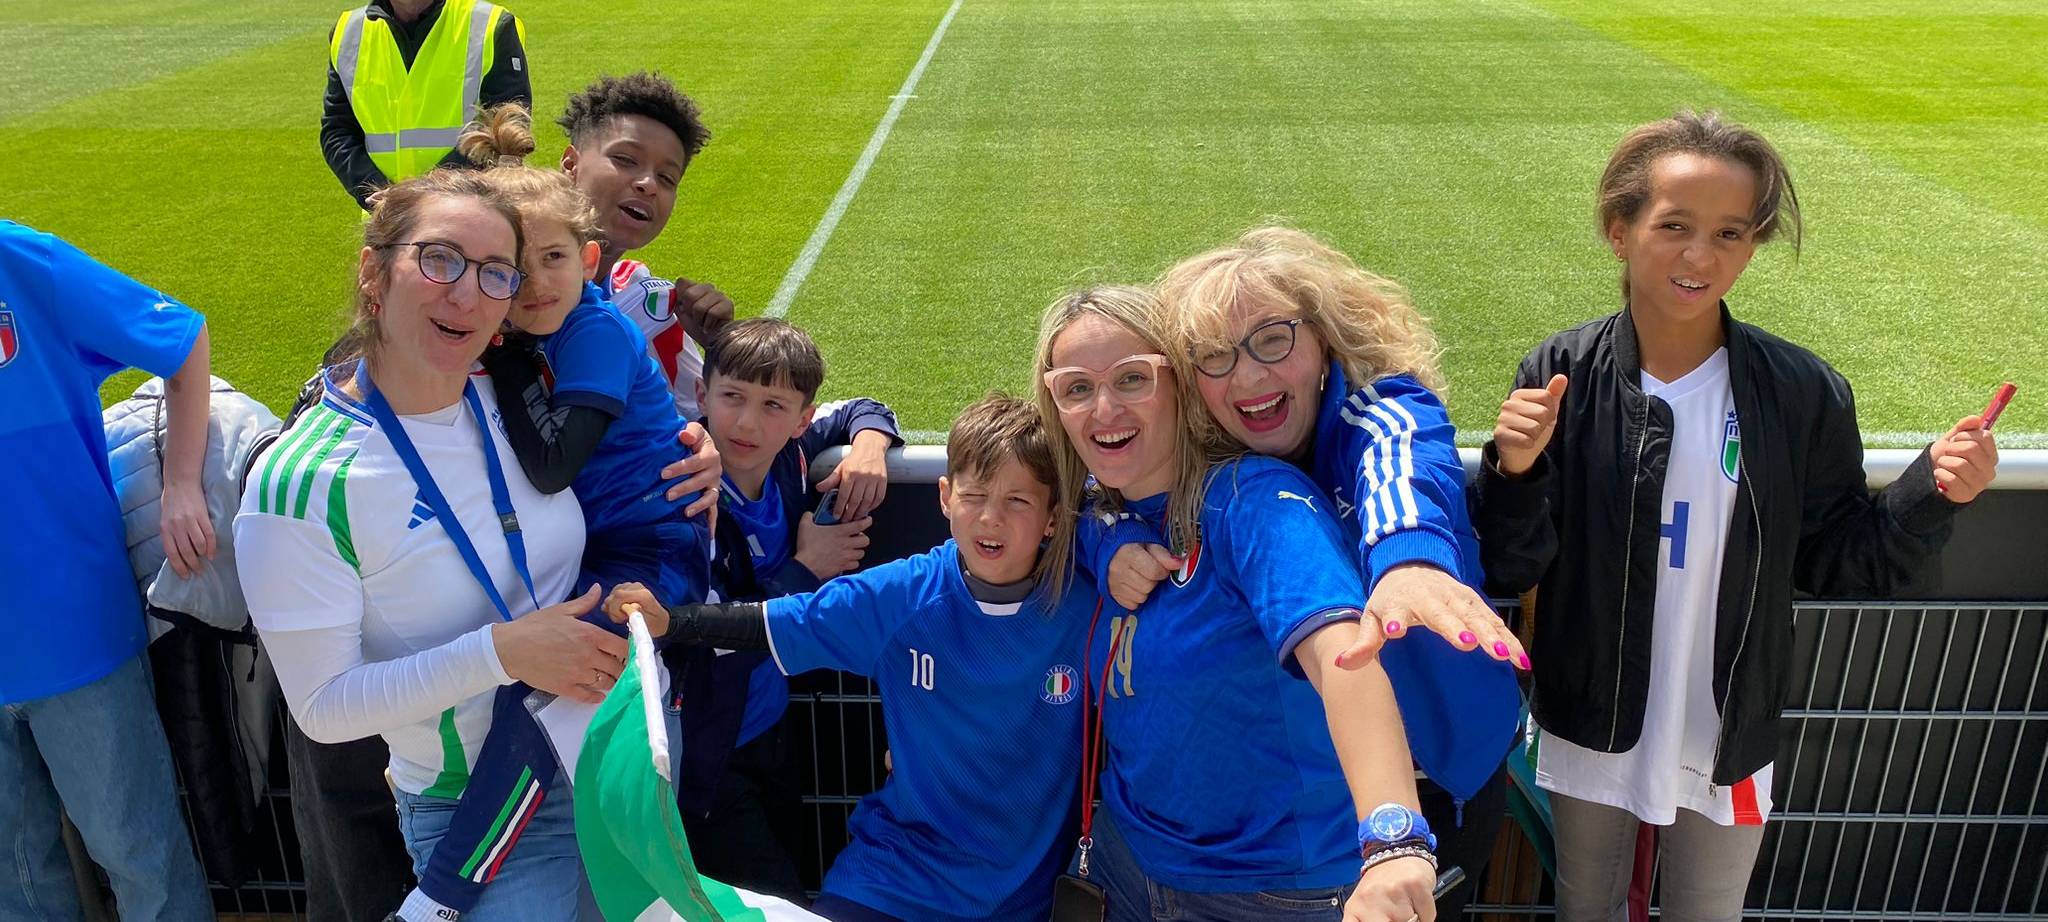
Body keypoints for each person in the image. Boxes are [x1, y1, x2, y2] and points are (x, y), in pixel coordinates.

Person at [1473, 110, 2001, 922]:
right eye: (1674, 226)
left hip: (1733, 735)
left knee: (1710, 913)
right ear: (1620, 231)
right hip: (1589, 720)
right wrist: (1513, 471)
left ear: (1753, 245)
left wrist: (1932, 491)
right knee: (1586, 907)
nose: (1699, 256)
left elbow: (1834, 560)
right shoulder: (1561, 372)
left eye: (1729, 233)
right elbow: (1513, 564)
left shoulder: (1799, 390)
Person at [1088, 226, 1526, 916]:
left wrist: (1409, 560)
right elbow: (1103, 490)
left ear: (1323, 340)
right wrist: (1109, 538)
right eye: (1214, 357)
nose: (1250, 376)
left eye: (1273, 339)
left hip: (1438, 772)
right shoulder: (1220, 472)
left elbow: (1400, 470)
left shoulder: (1380, 412)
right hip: (1318, 811)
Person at [237, 169, 623, 921]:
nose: (467, 294)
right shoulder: (304, 480)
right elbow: (321, 707)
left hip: (603, 762)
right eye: (439, 259)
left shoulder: (511, 394)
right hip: (481, 811)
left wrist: (699, 448)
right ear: (374, 272)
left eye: (494, 274)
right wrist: (501, 653)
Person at [379, 104, 718, 922]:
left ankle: (445, 893)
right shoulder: (519, 325)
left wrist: (518, 361)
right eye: (514, 268)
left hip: (649, 551)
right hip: (606, 547)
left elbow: (552, 459)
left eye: (554, 261)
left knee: (541, 695)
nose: (532, 285)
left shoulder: (591, 332)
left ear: (588, 261)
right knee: (545, 700)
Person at [605, 393, 1096, 921]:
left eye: (1018, 502)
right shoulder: (905, 595)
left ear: (1053, 516)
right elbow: (771, 621)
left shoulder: (1088, 605)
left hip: (1028, 898)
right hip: (891, 881)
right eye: (974, 496)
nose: (991, 519)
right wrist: (670, 622)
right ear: (946, 498)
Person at [1040, 285, 1439, 922]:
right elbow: (1084, 506)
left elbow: (1347, 661)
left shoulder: (1252, 504)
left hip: (1269, 892)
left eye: (1133, 378)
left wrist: (1394, 841)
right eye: (1077, 389)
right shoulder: (1105, 515)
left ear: (1182, 386)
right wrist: (1105, 534)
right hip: (1127, 865)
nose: (1104, 408)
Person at [0, 221, 214, 919]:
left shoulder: (23, 260)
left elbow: (181, 339)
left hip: (70, 629)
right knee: (16, 873)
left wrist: (182, 484)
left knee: (138, 851)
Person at [684, 317, 902, 896]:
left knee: (798, 878)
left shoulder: (794, 457)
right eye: (732, 397)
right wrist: (807, 569)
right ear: (701, 395)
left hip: (771, 728)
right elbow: (696, 636)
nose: (748, 422)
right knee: (765, 898)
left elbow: (864, 407)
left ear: (803, 419)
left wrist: (870, 447)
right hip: (706, 755)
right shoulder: (684, 493)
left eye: (774, 405)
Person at [558, 71, 734, 420]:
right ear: (571, 165)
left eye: (667, 178)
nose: (648, 184)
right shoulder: (501, 290)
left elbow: (711, 427)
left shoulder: (650, 307)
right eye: (625, 159)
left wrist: (721, 347)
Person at [323, 0, 531, 209]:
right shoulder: (348, 31)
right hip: (387, 220)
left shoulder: (492, 25)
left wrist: (428, 193)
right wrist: (378, 191)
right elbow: (337, 131)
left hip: (472, 212)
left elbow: (505, 127)